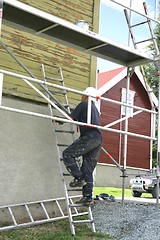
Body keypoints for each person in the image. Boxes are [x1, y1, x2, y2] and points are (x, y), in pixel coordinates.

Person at [62, 87, 102, 206]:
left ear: (85, 96)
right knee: (87, 169)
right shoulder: (95, 109)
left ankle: (79, 178)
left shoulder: (84, 104)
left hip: (89, 137)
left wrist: (60, 119)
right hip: (98, 139)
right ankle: (88, 197)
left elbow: (71, 117)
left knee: (67, 154)